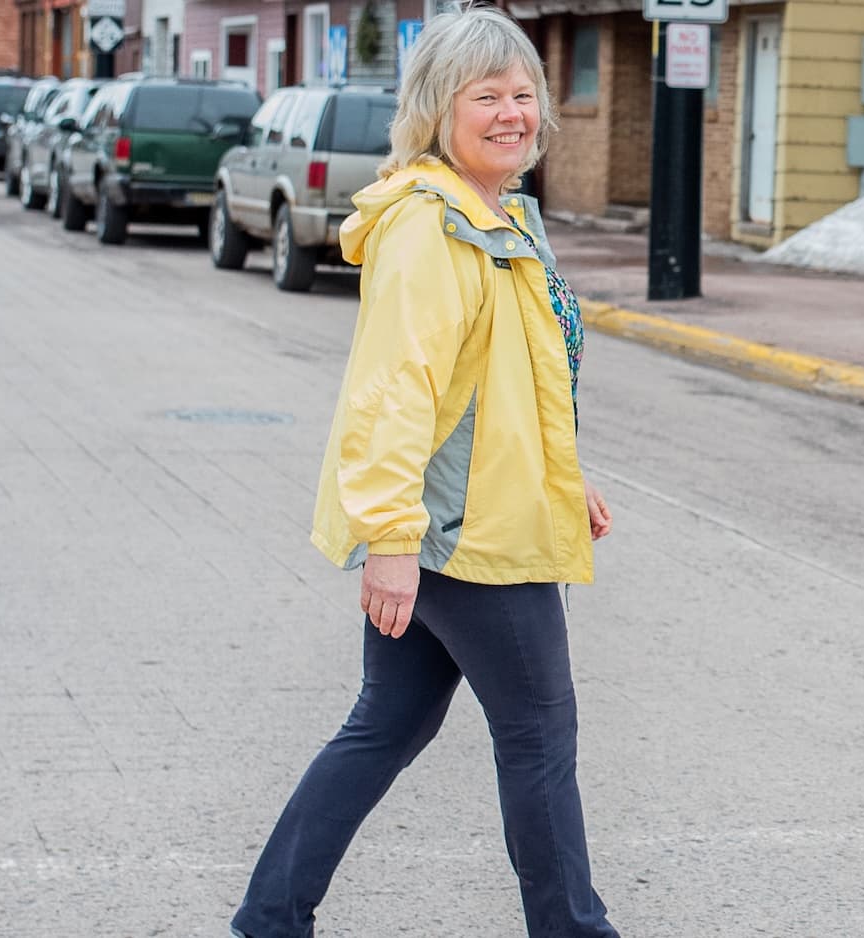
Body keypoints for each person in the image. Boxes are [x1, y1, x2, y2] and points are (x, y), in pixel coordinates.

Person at [230, 7, 620, 938]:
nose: (512, 113)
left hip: (475, 518)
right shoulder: (429, 228)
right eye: (486, 96)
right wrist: (392, 543)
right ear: (437, 110)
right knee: (539, 740)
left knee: (386, 726)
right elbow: (394, 395)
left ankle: (269, 919)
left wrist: (569, 472)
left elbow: (508, 379)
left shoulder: (501, 215)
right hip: (464, 536)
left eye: (524, 94)